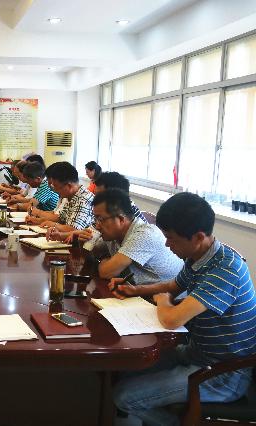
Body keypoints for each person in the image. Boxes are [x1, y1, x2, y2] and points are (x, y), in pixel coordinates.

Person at [111, 192, 256, 426]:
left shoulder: (225, 270)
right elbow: (173, 286)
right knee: (126, 369)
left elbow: (172, 320)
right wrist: (135, 290)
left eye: (171, 238)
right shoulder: (201, 256)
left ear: (198, 237)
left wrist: (162, 301)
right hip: (197, 353)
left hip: (223, 374)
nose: (167, 244)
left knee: (124, 396)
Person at [86, 189, 182, 281]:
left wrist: (104, 260)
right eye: (95, 219)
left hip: (169, 292)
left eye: (100, 219)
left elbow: (106, 273)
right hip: (139, 289)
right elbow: (92, 254)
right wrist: (84, 242)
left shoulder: (144, 234)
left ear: (121, 219)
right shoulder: (113, 235)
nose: (97, 225)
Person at [26, 161, 94, 231]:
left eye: (56, 186)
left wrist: (54, 225)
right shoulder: (70, 196)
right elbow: (61, 218)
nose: (54, 190)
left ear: (69, 186)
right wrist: (38, 221)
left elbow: (74, 230)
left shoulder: (83, 200)